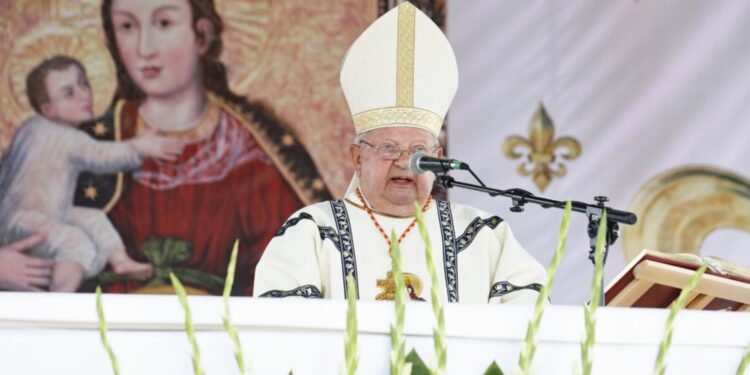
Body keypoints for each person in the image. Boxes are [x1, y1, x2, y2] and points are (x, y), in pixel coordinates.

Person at [254, 3, 546, 303]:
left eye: (419, 151)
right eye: (388, 147)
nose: (405, 162)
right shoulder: (312, 231)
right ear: (357, 158)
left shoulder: (482, 235)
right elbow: (284, 330)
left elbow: (532, 322)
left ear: (437, 159)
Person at [76, 0, 331, 295]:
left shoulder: (255, 149)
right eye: (127, 26)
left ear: (202, 34)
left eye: (164, 23)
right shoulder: (91, 145)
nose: (144, 48)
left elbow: (296, 266)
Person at [0, 55, 183, 291]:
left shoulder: (28, 128)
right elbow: (101, 156)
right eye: (69, 93)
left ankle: (120, 261)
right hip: (25, 221)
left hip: (37, 214)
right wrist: (139, 147)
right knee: (76, 243)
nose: (84, 94)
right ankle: (59, 301)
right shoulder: (64, 136)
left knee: (93, 218)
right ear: (49, 109)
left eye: (83, 83)